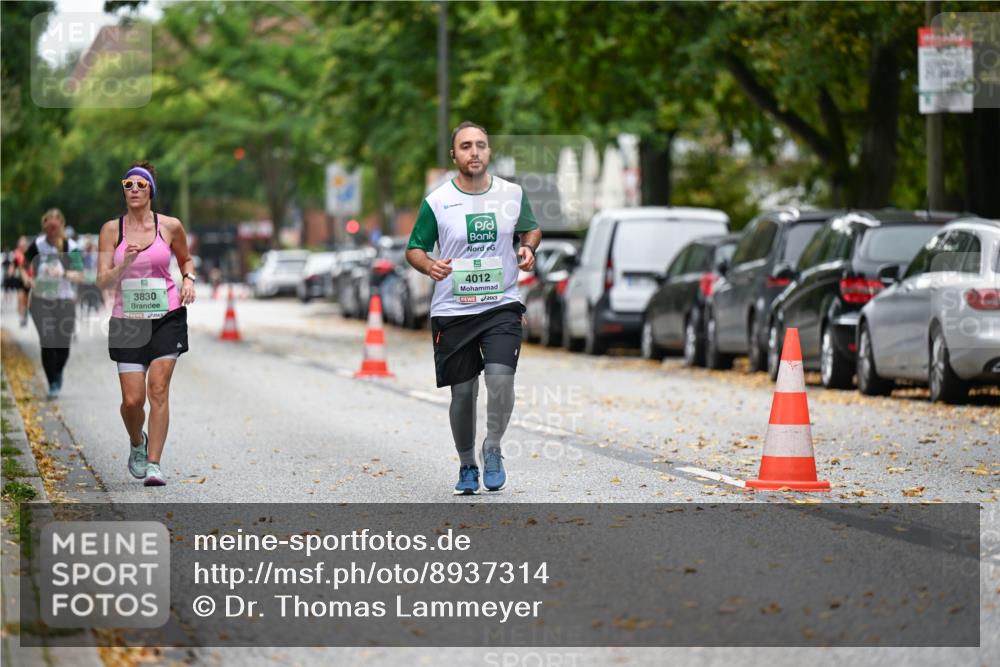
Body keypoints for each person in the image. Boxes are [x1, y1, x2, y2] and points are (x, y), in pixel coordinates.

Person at [405, 121, 541, 495]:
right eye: (466, 146)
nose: (474, 152)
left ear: (489, 151)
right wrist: (429, 264)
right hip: (453, 309)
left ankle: (493, 446)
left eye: (481, 145)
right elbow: (414, 248)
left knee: (501, 380)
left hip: (501, 303)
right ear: (454, 155)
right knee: (463, 393)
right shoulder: (437, 201)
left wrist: (528, 247)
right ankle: (467, 464)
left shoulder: (511, 194)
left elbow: (530, 228)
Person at [96, 161, 196, 487]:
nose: (135, 189)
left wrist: (189, 280)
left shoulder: (170, 226)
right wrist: (123, 263)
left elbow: (185, 259)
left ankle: (154, 463)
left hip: (166, 315)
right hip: (128, 320)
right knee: (132, 401)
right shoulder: (112, 230)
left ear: (151, 189)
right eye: (129, 184)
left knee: (158, 389)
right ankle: (136, 443)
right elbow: (101, 281)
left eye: (141, 184)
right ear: (123, 190)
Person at [20, 211, 84, 399]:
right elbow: (23, 266)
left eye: (56, 226)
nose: (52, 229)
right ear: (44, 226)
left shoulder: (70, 247)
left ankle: (58, 371)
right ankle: (52, 383)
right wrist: (27, 280)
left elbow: (80, 275)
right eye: (49, 225)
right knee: (48, 341)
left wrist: (63, 273)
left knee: (63, 345)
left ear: (61, 226)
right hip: (41, 300)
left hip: (64, 300)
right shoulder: (37, 245)